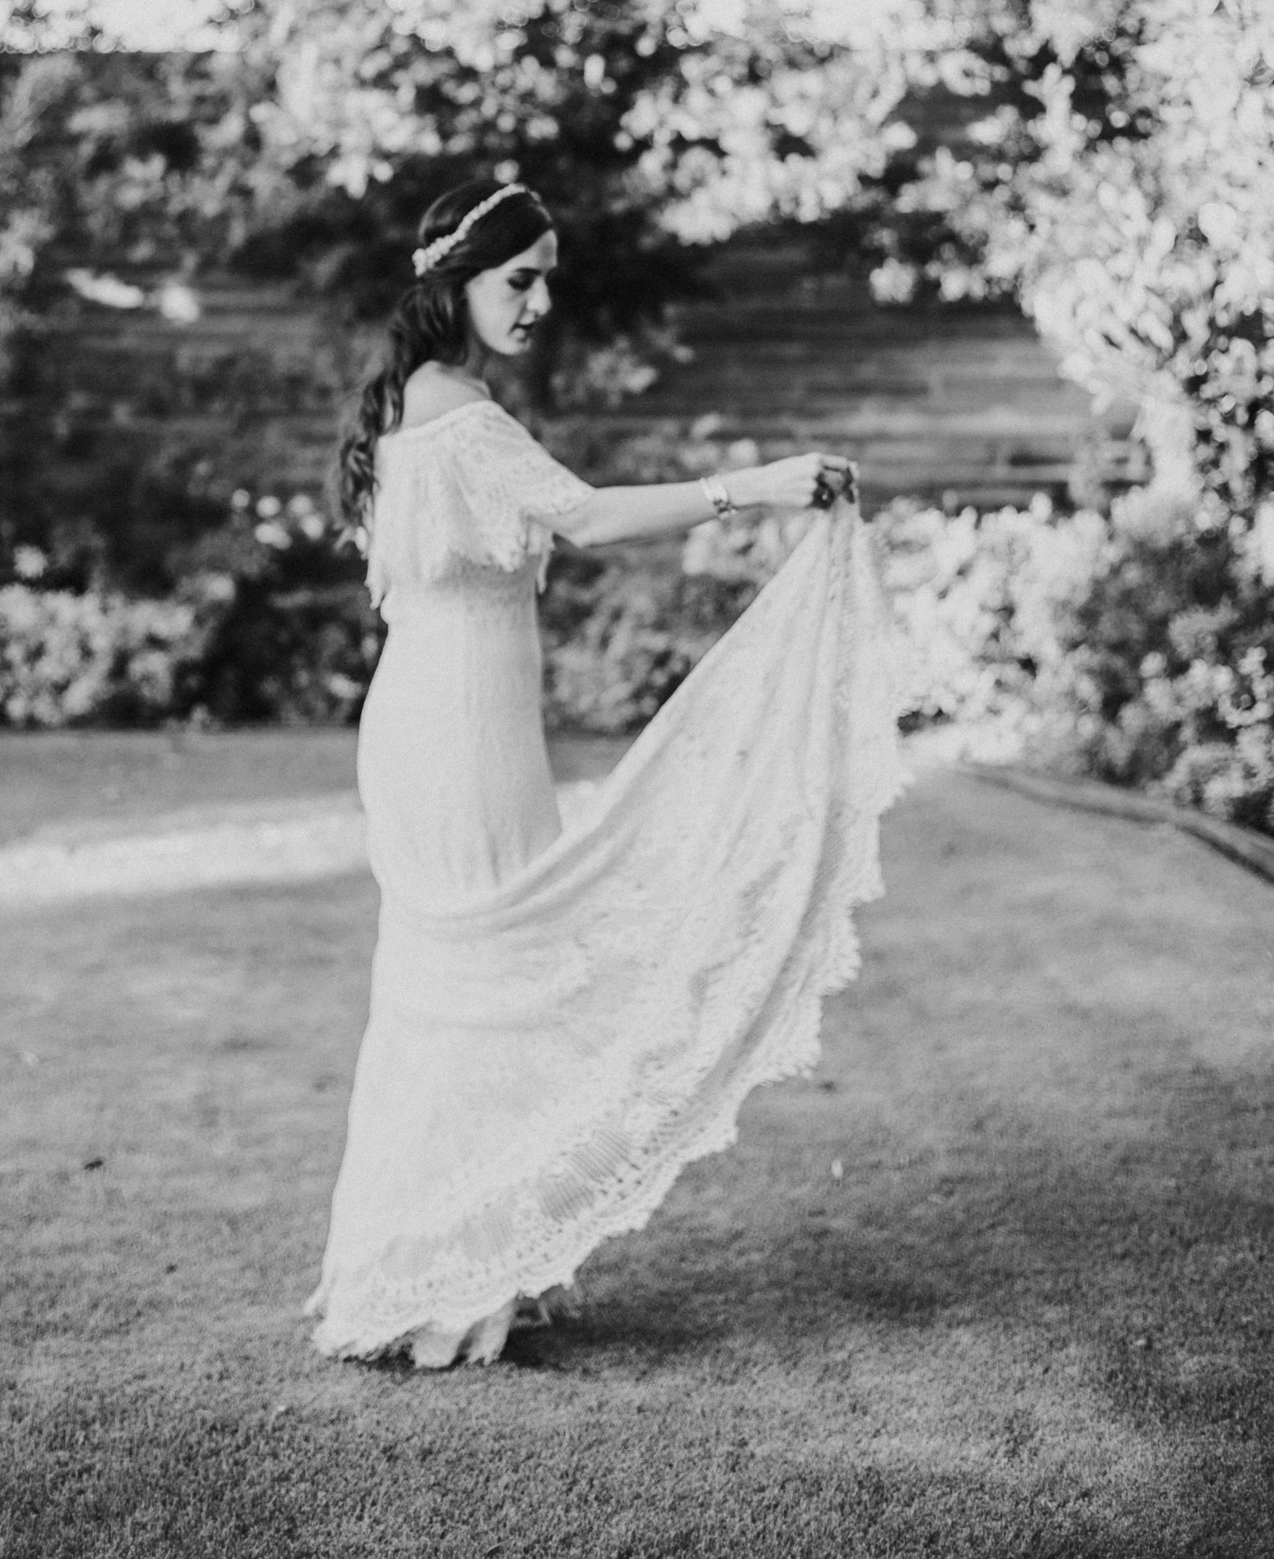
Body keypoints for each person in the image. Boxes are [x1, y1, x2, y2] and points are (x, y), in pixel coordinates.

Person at [305, 177, 903, 1367]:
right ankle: (443, 1278)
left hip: (433, 722)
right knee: (498, 981)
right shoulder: (460, 415)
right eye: (518, 280)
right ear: (455, 283)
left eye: (548, 282)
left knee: (464, 989)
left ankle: (454, 1262)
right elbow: (581, 517)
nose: (540, 303)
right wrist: (760, 484)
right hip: (457, 732)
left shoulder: (420, 403)